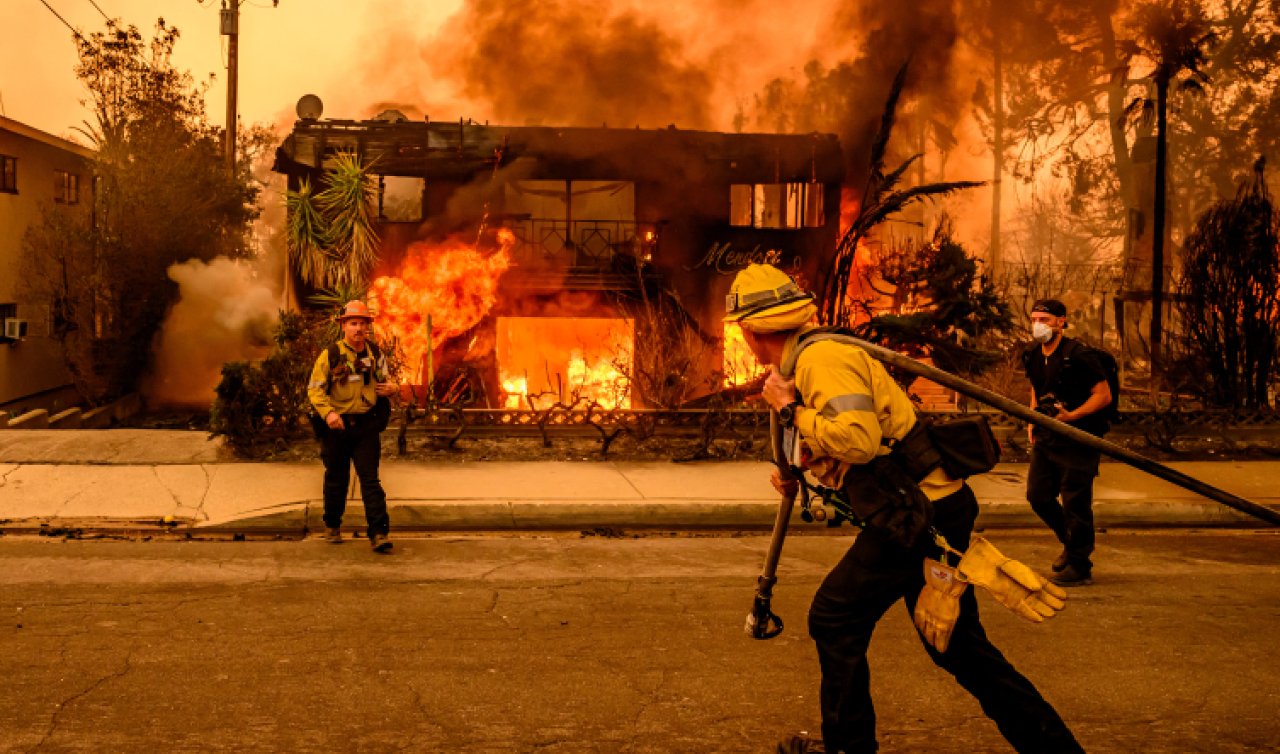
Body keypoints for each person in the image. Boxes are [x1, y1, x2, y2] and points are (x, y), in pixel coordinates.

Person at [725, 264, 1082, 754]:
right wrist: (802, 461)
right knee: (958, 647)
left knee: (835, 617)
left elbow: (859, 439)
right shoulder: (807, 358)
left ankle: (849, 748)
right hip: (928, 507)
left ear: (749, 330)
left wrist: (790, 410)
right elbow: (847, 436)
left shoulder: (819, 360)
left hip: (918, 514)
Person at [1022, 298, 1113, 587]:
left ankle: (1080, 565)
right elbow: (1036, 390)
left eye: (1045, 320)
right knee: (1038, 496)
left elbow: (1103, 395)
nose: (1038, 325)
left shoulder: (1079, 355)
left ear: (1061, 321)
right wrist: (1031, 420)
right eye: (1035, 319)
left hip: (1079, 438)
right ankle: (1072, 545)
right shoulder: (1034, 355)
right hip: (1047, 437)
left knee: (1076, 501)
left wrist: (1072, 416)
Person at [307, 300, 399, 552]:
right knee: (336, 478)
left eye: (363, 323)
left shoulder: (375, 354)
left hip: (366, 426)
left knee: (370, 480)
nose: (359, 328)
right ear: (343, 326)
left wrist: (393, 388)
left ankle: (379, 534)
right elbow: (315, 391)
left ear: (368, 327)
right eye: (353, 323)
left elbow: (386, 381)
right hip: (337, 427)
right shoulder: (331, 355)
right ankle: (333, 525)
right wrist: (328, 414)